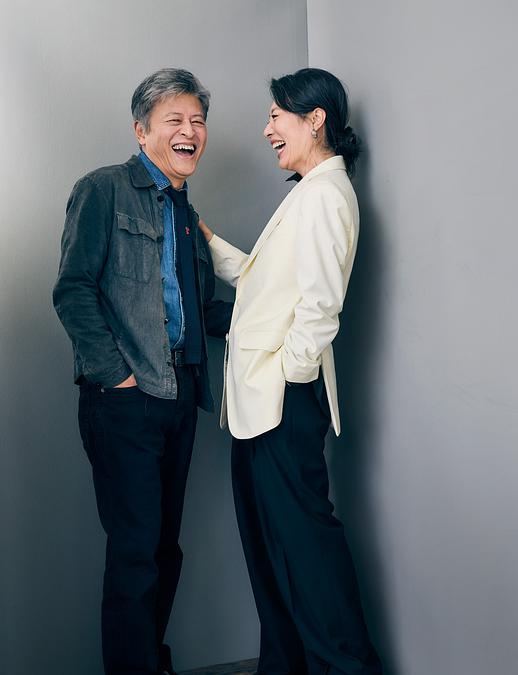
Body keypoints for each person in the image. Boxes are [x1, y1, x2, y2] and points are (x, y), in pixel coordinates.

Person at [198, 68, 383, 674]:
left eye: (276, 115)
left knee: (303, 547)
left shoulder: (327, 194)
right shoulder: (311, 191)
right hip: (262, 405)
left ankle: (346, 666)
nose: (267, 129)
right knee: (271, 546)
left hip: (282, 403)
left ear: (315, 119)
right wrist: (206, 240)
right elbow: (266, 280)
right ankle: (287, 665)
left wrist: (288, 376)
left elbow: (321, 305)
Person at [53, 68, 232, 675]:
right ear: (141, 130)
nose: (190, 132)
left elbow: (199, 307)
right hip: (125, 401)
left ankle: (148, 662)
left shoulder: (185, 211)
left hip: (179, 397)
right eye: (174, 120)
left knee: (162, 550)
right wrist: (117, 378)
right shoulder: (103, 189)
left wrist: (272, 312)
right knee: (135, 554)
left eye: (198, 121)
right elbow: (73, 290)